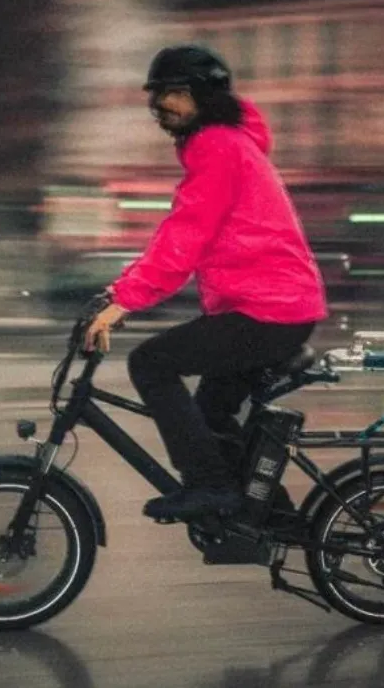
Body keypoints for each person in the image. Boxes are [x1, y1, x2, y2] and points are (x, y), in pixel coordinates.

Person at [84, 44, 327, 522]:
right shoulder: (223, 145)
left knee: (151, 363)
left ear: (204, 95)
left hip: (268, 312)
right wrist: (119, 293)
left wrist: (124, 301)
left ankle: (210, 487)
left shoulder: (218, 146)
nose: (162, 106)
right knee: (209, 416)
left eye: (175, 93)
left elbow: (185, 234)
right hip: (271, 310)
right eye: (156, 96)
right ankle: (266, 513)